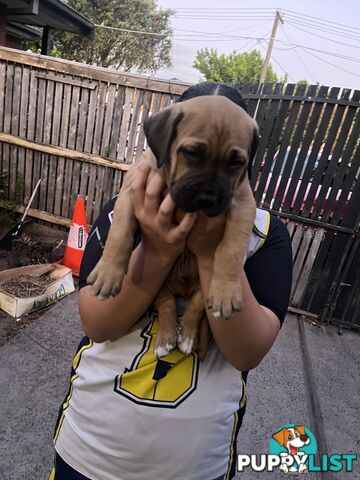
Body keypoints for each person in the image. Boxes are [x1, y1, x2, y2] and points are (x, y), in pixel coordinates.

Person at [50, 82, 293, 480]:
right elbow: (96, 323)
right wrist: (156, 251)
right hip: (90, 448)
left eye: (232, 164)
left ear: (249, 160)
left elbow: (248, 352)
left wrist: (218, 258)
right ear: (163, 144)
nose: (211, 180)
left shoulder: (266, 233)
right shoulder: (129, 203)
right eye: (193, 155)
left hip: (197, 466)